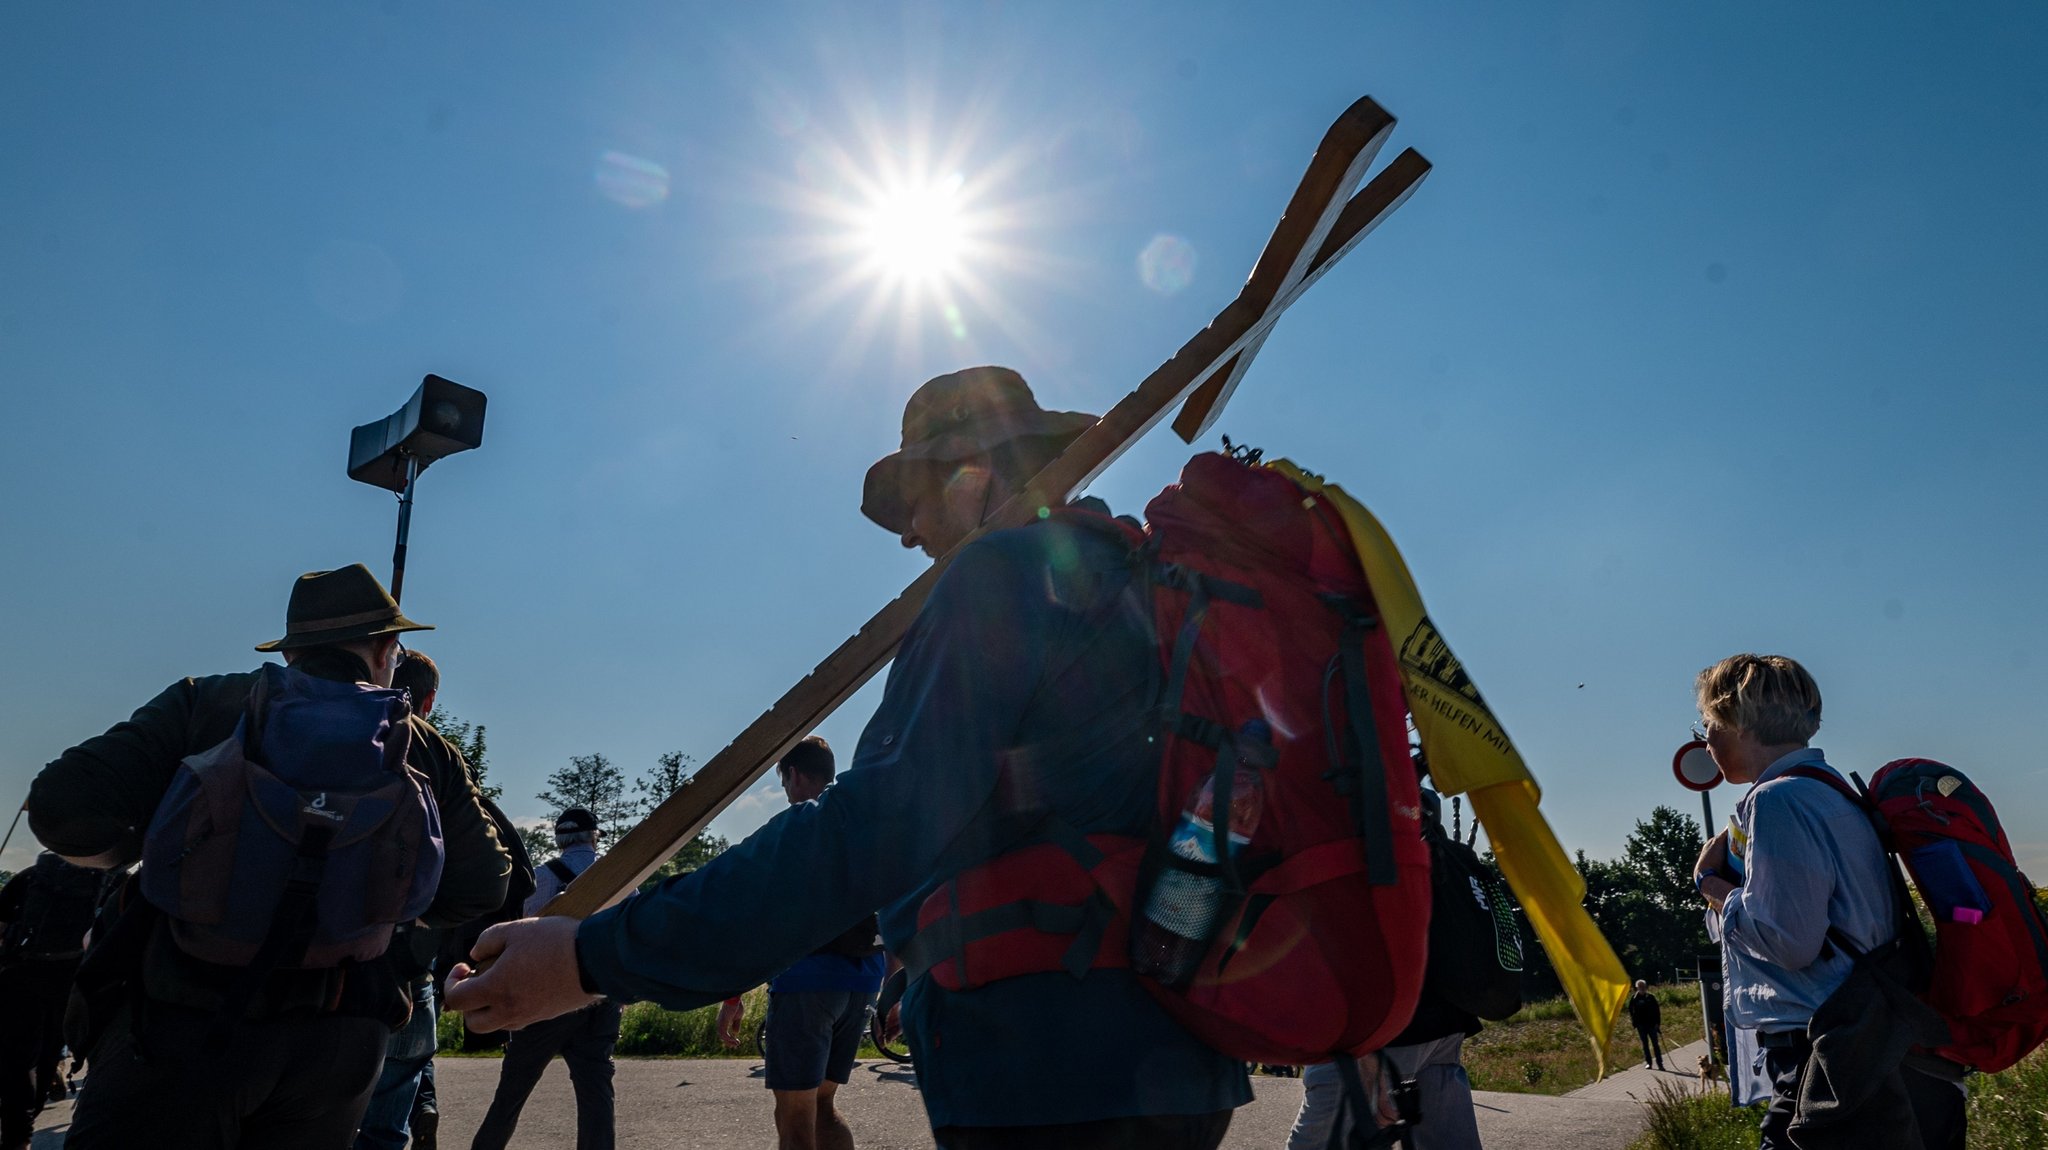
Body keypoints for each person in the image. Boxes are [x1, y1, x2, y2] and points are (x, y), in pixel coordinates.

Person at [448, 365, 1253, 1148]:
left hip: (1046, 1060)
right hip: (1175, 1049)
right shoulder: (1137, 581)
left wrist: (591, 956)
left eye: (915, 501)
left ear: (971, 479)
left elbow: (870, 828)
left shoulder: (1000, 574)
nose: (908, 534)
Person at [28, 563, 513, 1150]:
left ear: (291, 653)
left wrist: (155, 848)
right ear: (387, 647)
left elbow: (60, 810)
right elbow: (482, 885)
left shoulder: (205, 703)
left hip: (179, 1023)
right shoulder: (422, 745)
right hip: (340, 1043)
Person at [1692, 653, 1961, 1150]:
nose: (1704, 740)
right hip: (1869, 1041)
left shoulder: (1778, 802)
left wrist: (1709, 884)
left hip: (1827, 1056)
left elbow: (1788, 942)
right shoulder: (1830, 792)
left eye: (1708, 724)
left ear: (1739, 721)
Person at [1287, 787, 1486, 1150]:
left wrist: (1363, 1047)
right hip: (1444, 1027)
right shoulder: (1440, 859)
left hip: (1381, 1034)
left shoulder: (1366, 850)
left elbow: (1351, 943)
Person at [713, 737, 888, 1150]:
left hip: (807, 981)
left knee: (794, 1116)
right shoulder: (862, 825)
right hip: (863, 980)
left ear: (792, 774)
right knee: (824, 1105)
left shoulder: (794, 828)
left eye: (784, 780)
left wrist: (732, 997)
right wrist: (892, 988)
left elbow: (755, 921)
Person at [354, 648, 458, 1150]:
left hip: (309, 965)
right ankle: (424, 1107)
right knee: (385, 1123)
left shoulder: (335, 742)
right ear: (430, 700)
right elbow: (490, 880)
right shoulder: (439, 761)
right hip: (404, 969)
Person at [469, 808, 621, 1150]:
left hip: (545, 1000)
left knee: (510, 1095)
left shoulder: (540, 878)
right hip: (600, 997)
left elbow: (524, 939)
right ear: (594, 836)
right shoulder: (621, 879)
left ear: (559, 838)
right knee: (597, 1094)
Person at [0, 851, 101, 1150]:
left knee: (17, 1061)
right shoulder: (110, 884)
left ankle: (17, 1138)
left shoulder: (31, 876)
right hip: (72, 983)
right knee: (49, 1052)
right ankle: (33, 1113)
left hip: (20, 976)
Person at [1628, 980, 1665, 1071]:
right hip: (1641, 1026)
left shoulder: (1651, 997)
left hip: (1652, 1025)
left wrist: (1657, 1024)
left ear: (1646, 987)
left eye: (1643, 987)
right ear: (1637, 988)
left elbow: (1657, 1011)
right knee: (1645, 1045)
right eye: (1640, 987)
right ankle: (1649, 1063)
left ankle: (1660, 1064)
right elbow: (1631, 1011)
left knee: (1655, 1044)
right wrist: (1634, 1023)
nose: (1642, 989)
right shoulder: (1634, 998)